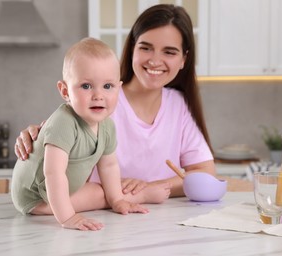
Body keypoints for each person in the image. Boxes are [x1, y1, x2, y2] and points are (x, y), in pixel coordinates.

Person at [14, 4, 215, 202]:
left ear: (183, 60)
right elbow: (59, 155)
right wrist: (38, 143)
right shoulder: (100, 102)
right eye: (146, 48)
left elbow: (204, 174)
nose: (155, 60)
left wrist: (148, 189)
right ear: (132, 49)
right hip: (99, 220)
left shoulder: (178, 105)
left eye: (169, 52)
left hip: (157, 220)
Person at [11, 37, 149, 232]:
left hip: (63, 190)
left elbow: (109, 166)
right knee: (98, 195)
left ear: (118, 88)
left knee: (106, 192)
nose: (98, 95)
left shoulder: (107, 126)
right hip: (35, 197)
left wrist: (117, 200)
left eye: (107, 86)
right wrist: (68, 217)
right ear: (65, 91)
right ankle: (62, 209)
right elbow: (53, 173)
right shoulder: (63, 123)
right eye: (86, 86)